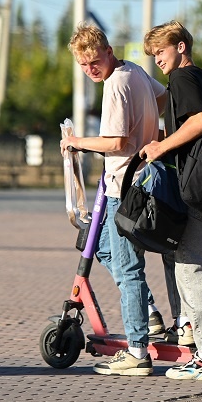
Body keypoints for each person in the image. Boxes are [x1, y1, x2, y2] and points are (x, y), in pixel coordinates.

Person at [60, 22, 167, 376]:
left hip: (126, 187)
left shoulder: (116, 84)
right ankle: (149, 313)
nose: (91, 69)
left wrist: (77, 142)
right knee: (98, 244)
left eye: (94, 61)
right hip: (135, 182)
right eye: (83, 65)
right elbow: (162, 97)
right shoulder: (134, 72)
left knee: (129, 271)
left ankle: (137, 351)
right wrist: (149, 127)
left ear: (107, 51)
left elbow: (116, 142)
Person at [139, 20, 202, 381]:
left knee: (192, 268)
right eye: (153, 53)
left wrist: (160, 146)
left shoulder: (183, 79)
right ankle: (199, 343)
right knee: (183, 260)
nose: (157, 59)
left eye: (160, 50)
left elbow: (201, 122)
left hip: (196, 185)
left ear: (180, 46)